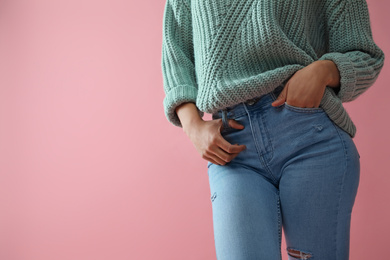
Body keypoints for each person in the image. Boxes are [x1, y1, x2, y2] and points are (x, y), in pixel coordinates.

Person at [161, 0, 385, 259]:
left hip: (310, 137)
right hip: (233, 150)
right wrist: (192, 126)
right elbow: (176, 55)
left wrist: (324, 71)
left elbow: (364, 54)